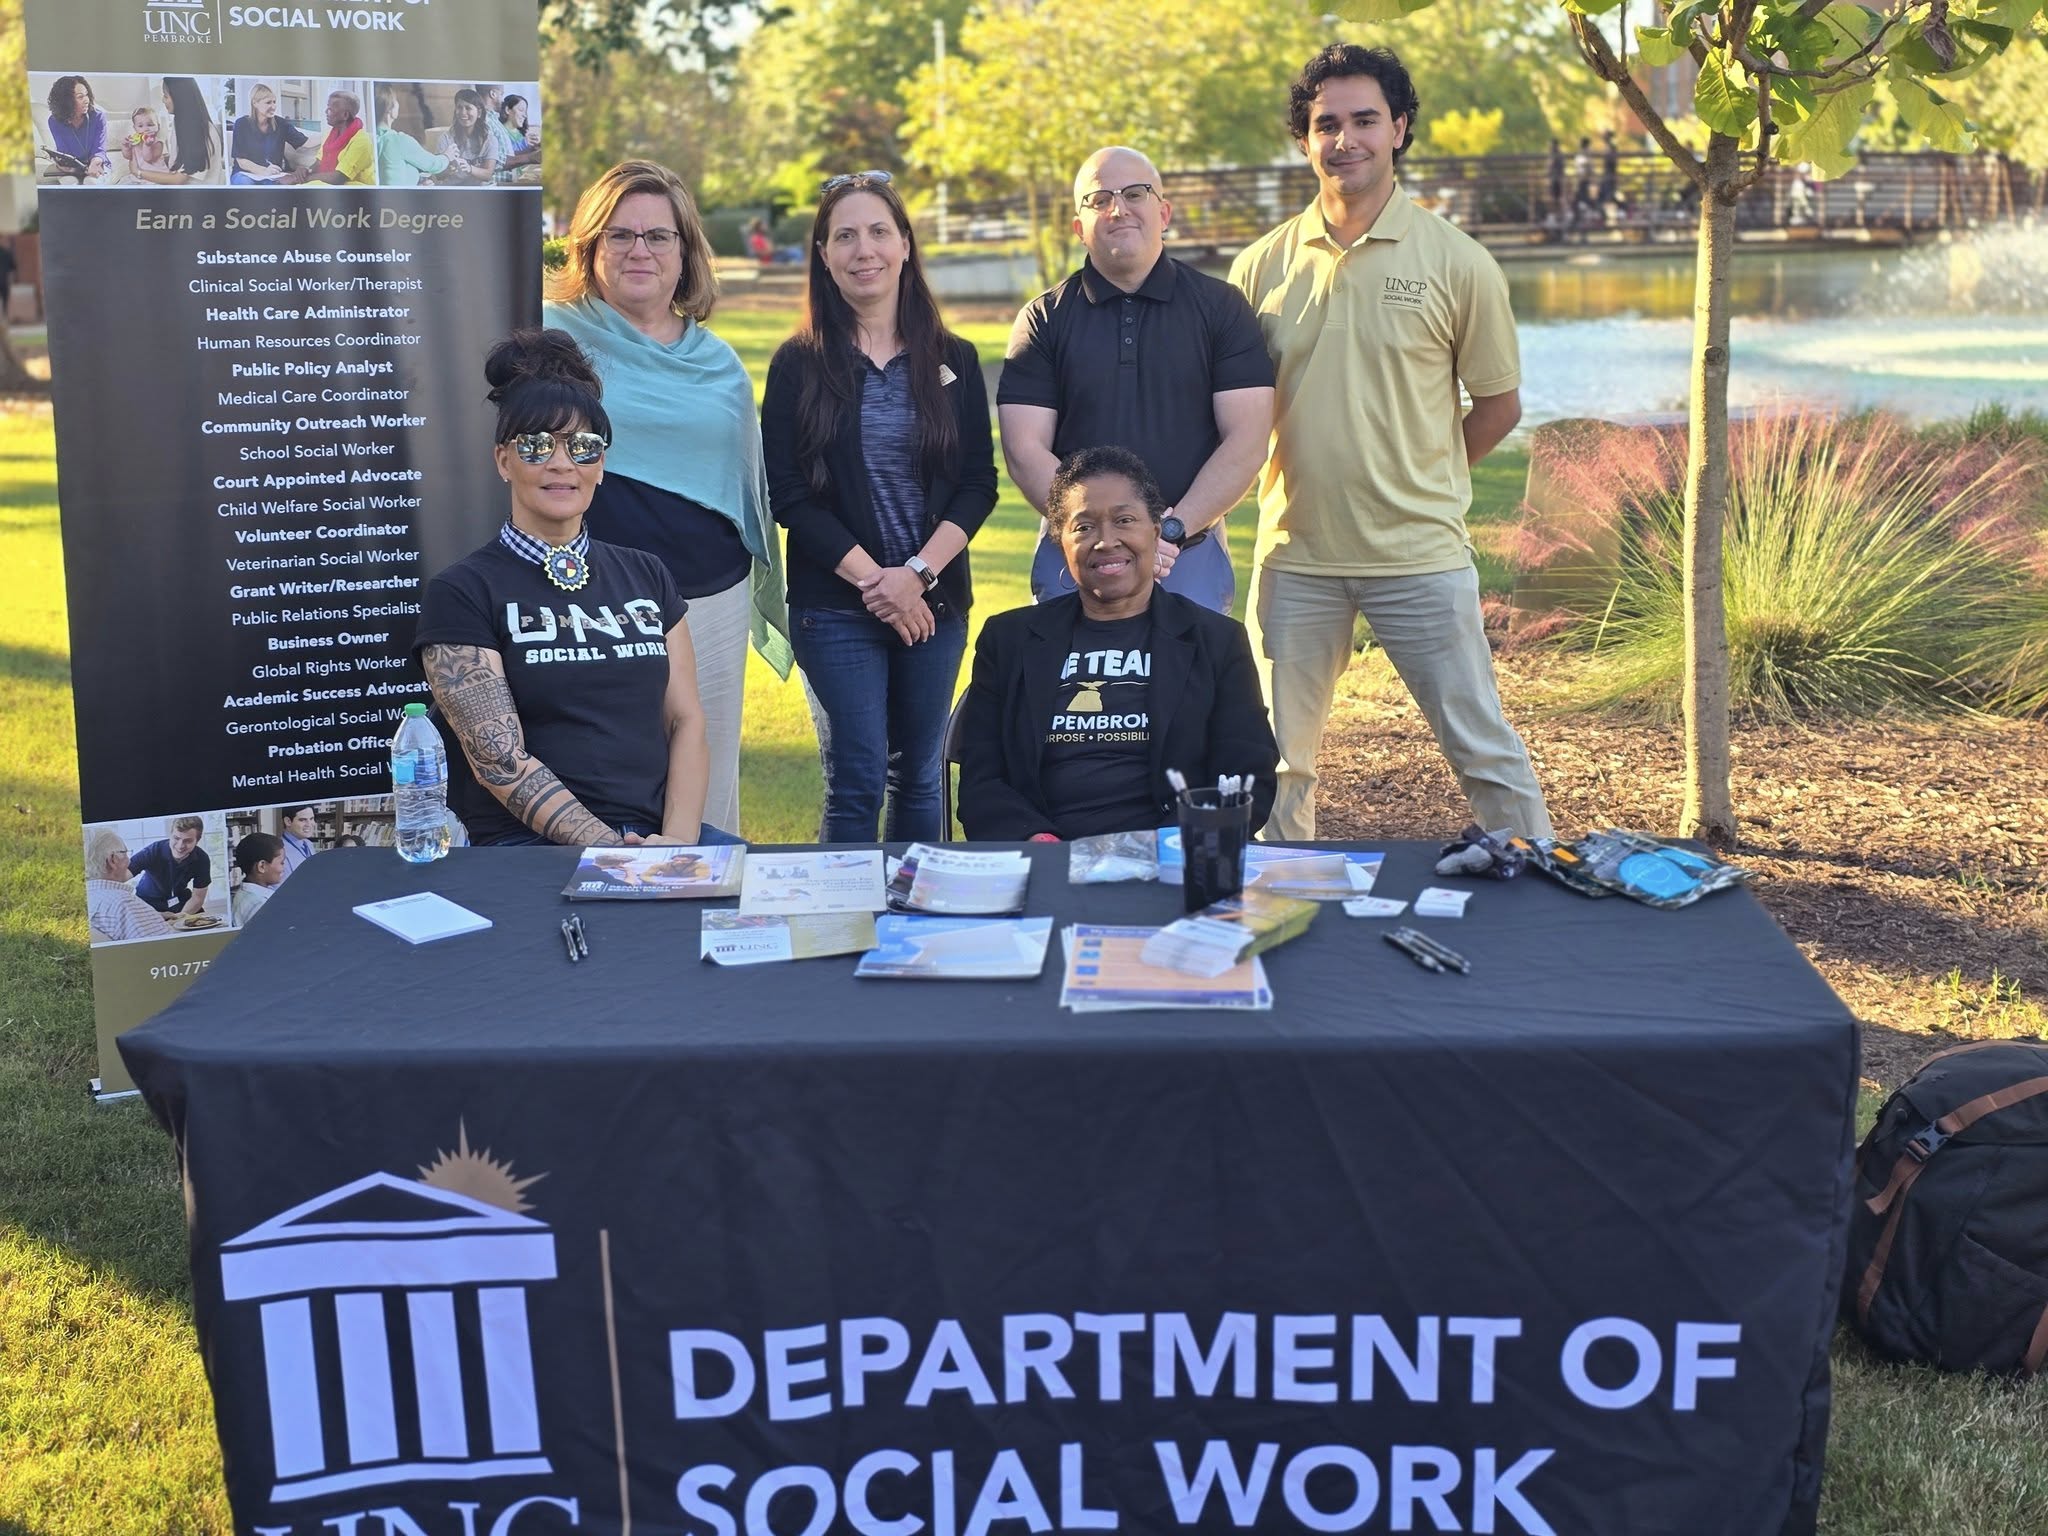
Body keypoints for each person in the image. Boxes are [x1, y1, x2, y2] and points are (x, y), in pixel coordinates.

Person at [1228, 44, 1553, 842]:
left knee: (1482, 750)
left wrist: (1423, 473)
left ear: (1400, 128)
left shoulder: (1459, 263)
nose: (1346, 140)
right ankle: (1278, 902)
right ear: (1304, 140)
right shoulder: (1259, 268)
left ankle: (1541, 881)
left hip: (1419, 556)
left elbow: (1499, 405)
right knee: (1276, 766)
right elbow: (1235, 413)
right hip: (1295, 559)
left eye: (1366, 120)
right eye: (1326, 124)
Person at [544, 160, 793, 837]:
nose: (640, 251)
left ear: (685, 252)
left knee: (705, 777)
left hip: (710, 597)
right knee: (598, 781)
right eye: (620, 235)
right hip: (585, 600)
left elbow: (743, 485)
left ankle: (703, 896)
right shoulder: (550, 341)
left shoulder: (719, 363)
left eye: (659, 236)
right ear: (589, 247)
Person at [415, 328, 731, 848]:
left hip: (656, 840)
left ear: (600, 465)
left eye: (583, 447)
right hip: (531, 847)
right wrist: (610, 850)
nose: (561, 463)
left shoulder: (648, 574)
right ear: (503, 461)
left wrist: (675, 843)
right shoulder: (463, 590)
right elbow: (499, 760)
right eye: (536, 446)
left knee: (774, 894)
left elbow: (685, 720)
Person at [761, 170, 998, 843]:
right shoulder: (797, 365)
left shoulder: (955, 360)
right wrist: (879, 584)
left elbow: (978, 484)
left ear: (904, 245)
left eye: (877, 232)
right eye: (844, 236)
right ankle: (843, 909)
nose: (863, 250)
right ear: (823, 254)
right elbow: (790, 496)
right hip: (835, 609)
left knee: (921, 777)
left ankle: (913, 905)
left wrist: (915, 577)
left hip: (934, 604)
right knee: (858, 778)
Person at [1000, 146, 1274, 616]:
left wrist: (1170, 531)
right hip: (1077, 557)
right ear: (1079, 227)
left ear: (1164, 212)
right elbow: (1024, 450)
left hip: (1187, 551)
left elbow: (1247, 440)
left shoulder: (1222, 308)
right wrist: (1098, 535)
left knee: (1188, 667)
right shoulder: (1043, 319)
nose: (1118, 209)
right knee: (1069, 668)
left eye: (1134, 194)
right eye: (1100, 199)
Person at [955, 446, 1277, 841]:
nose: (1106, 541)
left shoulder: (1216, 641)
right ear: (1060, 542)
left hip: (1174, 855)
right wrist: (1040, 843)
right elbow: (983, 782)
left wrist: (1167, 848)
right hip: (1048, 855)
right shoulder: (1009, 640)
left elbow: (1247, 775)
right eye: (1084, 527)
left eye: (1125, 520)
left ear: (1156, 531)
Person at [84, 829, 172, 943]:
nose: (129, 861)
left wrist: (151, 917)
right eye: (125, 853)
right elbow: (170, 948)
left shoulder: (88, 901)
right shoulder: (125, 904)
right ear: (112, 860)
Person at [135, 76, 218, 186]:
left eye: (166, 96)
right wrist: (160, 159)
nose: (163, 100)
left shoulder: (201, 130)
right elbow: (182, 159)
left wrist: (138, 172)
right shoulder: (180, 123)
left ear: (179, 98)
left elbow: (178, 179)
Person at [128, 815, 212, 914]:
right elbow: (123, 874)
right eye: (176, 838)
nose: (180, 846)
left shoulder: (202, 858)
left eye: (188, 841)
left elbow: (197, 898)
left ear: (197, 840)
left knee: (203, 919)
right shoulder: (153, 851)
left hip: (178, 899)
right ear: (170, 835)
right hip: (147, 902)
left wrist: (180, 918)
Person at [290, 90, 372, 186]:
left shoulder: (361, 140)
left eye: (331, 109)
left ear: (345, 115)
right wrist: (305, 171)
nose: (326, 111)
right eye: (327, 107)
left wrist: (299, 179)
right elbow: (318, 164)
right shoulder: (329, 134)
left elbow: (338, 177)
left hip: (357, 187)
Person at [373, 85, 449, 187]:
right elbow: (434, 165)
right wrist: (447, 156)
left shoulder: (371, 138)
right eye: (396, 100)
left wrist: (418, 187)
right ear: (389, 109)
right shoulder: (398, 140)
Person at [229, 84, 305, 185]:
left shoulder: (281, 124)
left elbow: (305, 141)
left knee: (277, 186)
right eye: (268, 102)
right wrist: (263, 171)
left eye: (274, 102)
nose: (273, 106)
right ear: (255, 103)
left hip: (272, 176)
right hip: (245, 174)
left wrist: (326, 137)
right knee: (245, 183)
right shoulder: (241, 124)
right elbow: (241, 161)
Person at [45, 76, 109, 180]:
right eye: (80, 97)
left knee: (92, 182)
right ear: (66, 101)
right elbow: (64, 152)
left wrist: (95, 162)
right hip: (71, 168)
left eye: (86, 95)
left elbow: (99, 150)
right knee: (69, 182)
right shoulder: (54, 121)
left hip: (96, 164)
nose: (87, 100)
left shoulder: (98, 117)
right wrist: (65, 167)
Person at [437, 89, 500, 184]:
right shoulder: (446, 138)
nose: (463, 112)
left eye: (468, 108)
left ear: (479, 113)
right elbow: (438, 176)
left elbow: (488, 175)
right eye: (459, 107)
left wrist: (470, 168)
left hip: (477, 191)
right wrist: (447, 161)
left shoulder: (490, 140)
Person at [231, 833, 286, 925]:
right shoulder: (261, 906)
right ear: (262, 866)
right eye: (282, 863)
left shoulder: (245, 894)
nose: (283, 868)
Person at [497, 94, 541, 171]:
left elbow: (522, 157)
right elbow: (504, 155)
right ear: (507, 110)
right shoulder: (500, 131)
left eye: (525, 112)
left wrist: (534, 148)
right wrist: (524, 144)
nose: (525, 116)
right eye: (521, 110)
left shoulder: (520, 133)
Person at [121, 107, 169, 176]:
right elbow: (128, 156)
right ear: (135, 128)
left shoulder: (158, 143)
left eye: (150, 125)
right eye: (140, 126)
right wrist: (125, 147)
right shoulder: (135, 142)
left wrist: (147, 145)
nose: (146, 129)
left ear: (158, 126)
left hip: (156, 175)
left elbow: (148, 159)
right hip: (139, 175)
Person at [278, 805, 319, 874]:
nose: (309, 824)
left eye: (311, 819)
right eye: (302, 820)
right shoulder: (278, 850)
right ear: (288, 821)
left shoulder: (309, 844)